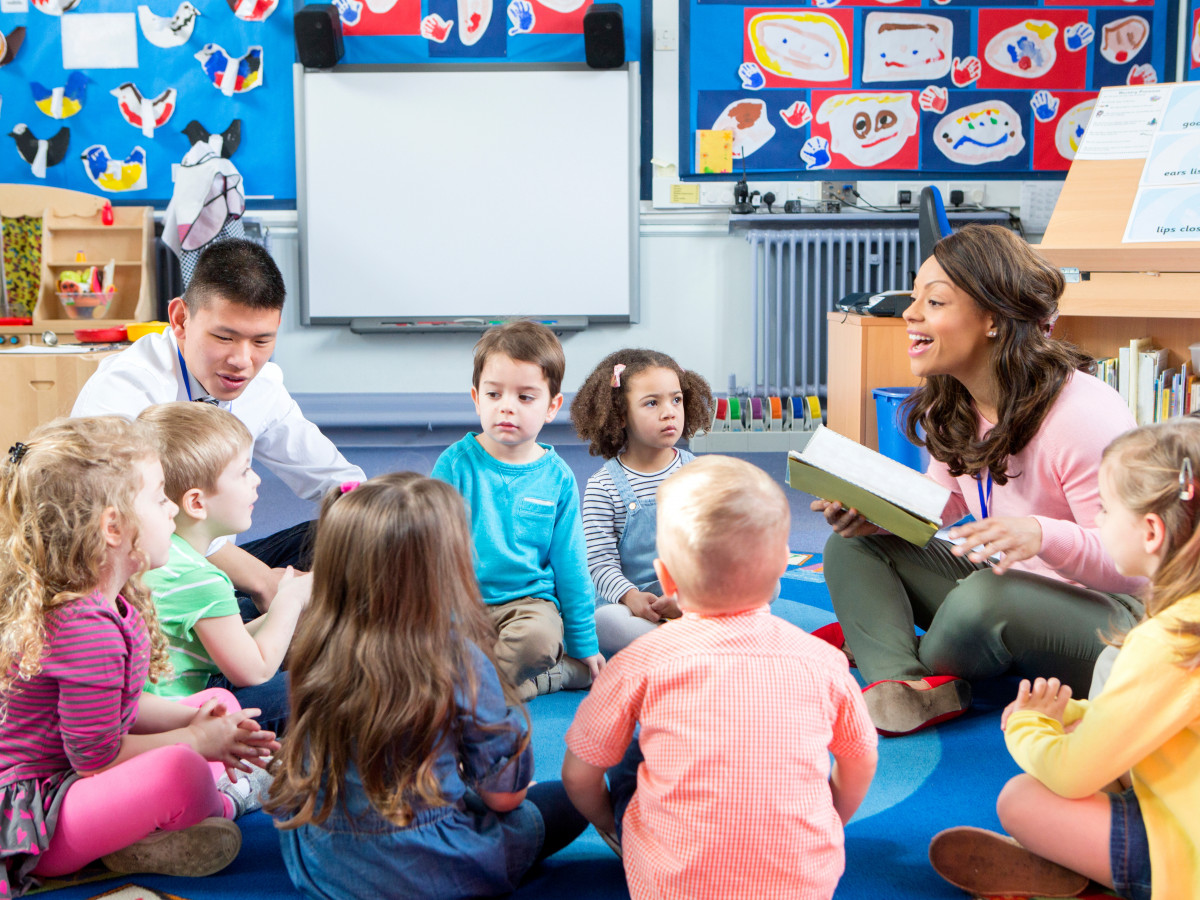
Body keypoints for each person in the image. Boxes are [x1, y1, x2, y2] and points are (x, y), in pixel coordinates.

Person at [814, 224, 1144, 737]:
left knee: (983, 599)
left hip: (1113, 620)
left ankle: (885, 643)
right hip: (1009, 582)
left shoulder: (1083, 412)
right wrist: (875, 516)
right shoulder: (958, 402)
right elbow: (943, 510)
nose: (909, 312)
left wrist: (1040, 534)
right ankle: (907, 688)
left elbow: (1134, 567)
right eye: (915, 295)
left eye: (936, 301)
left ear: (992, 318)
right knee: (850, 548)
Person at [562, 456, 878, 900]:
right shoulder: (823, 662)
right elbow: (860, 760)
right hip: (805, 882)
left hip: (669, 884)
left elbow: (579, 774)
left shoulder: (640, 661)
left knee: (630, 748)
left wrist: (611, 827)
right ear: (783, 567)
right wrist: (831, 820)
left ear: (666, 578)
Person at [266, 473, 588, 900]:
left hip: (324, 868)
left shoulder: (316, 643)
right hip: (433, 870)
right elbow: (504, 799)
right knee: (570, 797)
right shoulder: (459, 658)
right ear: (442, 569)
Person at [0, 417, 278, 897]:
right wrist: (194, 742)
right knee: (179, 768)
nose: (172, 508)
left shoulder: (114, 599)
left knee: (215, 701)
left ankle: (157, 829)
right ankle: (222, 805)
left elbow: (123, 710)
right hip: (37, 819)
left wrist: (192, 720)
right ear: (113, 527)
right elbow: (96, 760)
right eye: (158, 498)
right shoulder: (85, 628)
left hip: (72, 778)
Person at [929, 418, 1200, 900]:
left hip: (1183, 857)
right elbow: (1159, 715)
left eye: (1105, 509)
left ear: (1152, 531)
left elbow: (1072, 773)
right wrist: (1073, 712)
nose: (1096, 521)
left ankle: (1084, 871)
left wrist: (1029, 726)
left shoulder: (1168, 641)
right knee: (1088, 742)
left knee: (1024, 799)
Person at [71, 238, 364, 613]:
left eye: (262, 341)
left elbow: (334, 477)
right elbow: (117, 528)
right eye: (224, 337)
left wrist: (388, 515)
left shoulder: (262, 385)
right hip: (138, 584)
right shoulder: (125, 391)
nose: (242, 361)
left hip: (212, 569)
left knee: (354, 534)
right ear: (180, 320)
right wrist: (261, 580)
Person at [432, 320, 602, 700]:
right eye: (494, 395)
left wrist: (584, 643)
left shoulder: (558, 478)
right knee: (415, 646)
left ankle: (458, 694)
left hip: (527, 606)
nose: (507, 407)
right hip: (461, 605)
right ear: (477, 398)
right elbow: (430, 547)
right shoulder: (454, 465)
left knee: (539, 641)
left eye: (525, 398)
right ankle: (531, 684)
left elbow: (572, 566)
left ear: (552, 407)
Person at [137, 402, 313, 739]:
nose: (257, 480)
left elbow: (223, 643)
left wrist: (285, 611)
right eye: (244, 471)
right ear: (197, 503)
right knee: (335, 685)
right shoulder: (199, 578)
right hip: (188, 718)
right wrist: (290, 601)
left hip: (174, 691)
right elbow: (255, 670)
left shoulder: (167, 554)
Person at [571, 349, 713, 656]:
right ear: (620, 416)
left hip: (690, 596)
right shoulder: (603, 485)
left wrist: (690, 594)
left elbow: (713, 545)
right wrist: (630, 596)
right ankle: (697, 638)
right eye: (652, 403)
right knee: (604, 622)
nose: (669, 412)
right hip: (634, 606)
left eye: (676, 400)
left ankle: (680, 636)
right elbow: (598, 561)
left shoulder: (695, 472)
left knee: (769, 586)